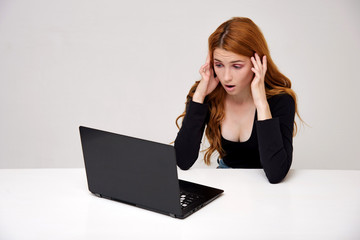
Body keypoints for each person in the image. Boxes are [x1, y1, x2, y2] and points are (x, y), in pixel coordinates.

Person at [174, 17, 301, 184]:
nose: (226, 77)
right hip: (226, 184)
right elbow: (183, 160)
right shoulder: (207, 95)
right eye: (219, 65)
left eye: (236, 66)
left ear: (257, 62)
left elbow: (276, 173)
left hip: (265, 187)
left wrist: (261, 103)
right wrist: (198, 97)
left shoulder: (280, 101)